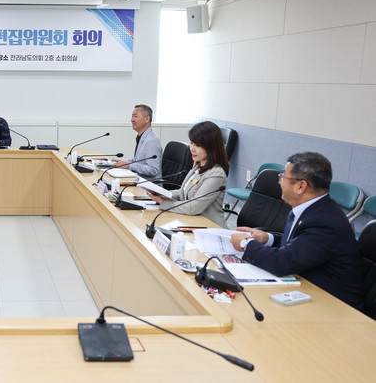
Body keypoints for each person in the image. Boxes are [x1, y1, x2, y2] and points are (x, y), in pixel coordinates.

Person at [230, 152, 364, 310]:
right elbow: (297, 245)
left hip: (334, 306)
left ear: (301, 186)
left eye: (283, 177)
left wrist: (246, 244)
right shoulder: (311, 208)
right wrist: (268, 238)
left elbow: (282, 262)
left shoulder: (325, 222)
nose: (279, 181)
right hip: (306, 289)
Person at [146, 121, 228, 227]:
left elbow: (193, 207)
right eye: (191, 143)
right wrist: (162, 194)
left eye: (198, 145)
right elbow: (182, 193)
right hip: (191, 221)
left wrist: (163, 202)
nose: (192, 149)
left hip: (210, 227)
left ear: (211, 146)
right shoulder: (197, 166)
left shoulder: (216, 174)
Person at [112, 104, 162, 180]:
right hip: (139, 179)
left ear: (147, 119)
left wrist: (129, 165)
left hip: (148, 184)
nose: (132, 120)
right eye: (132, 116)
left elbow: (153, 169)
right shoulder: (142, 137)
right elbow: (138, 161)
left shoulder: (151, 141)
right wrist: (122, 163)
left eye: (135, 116)